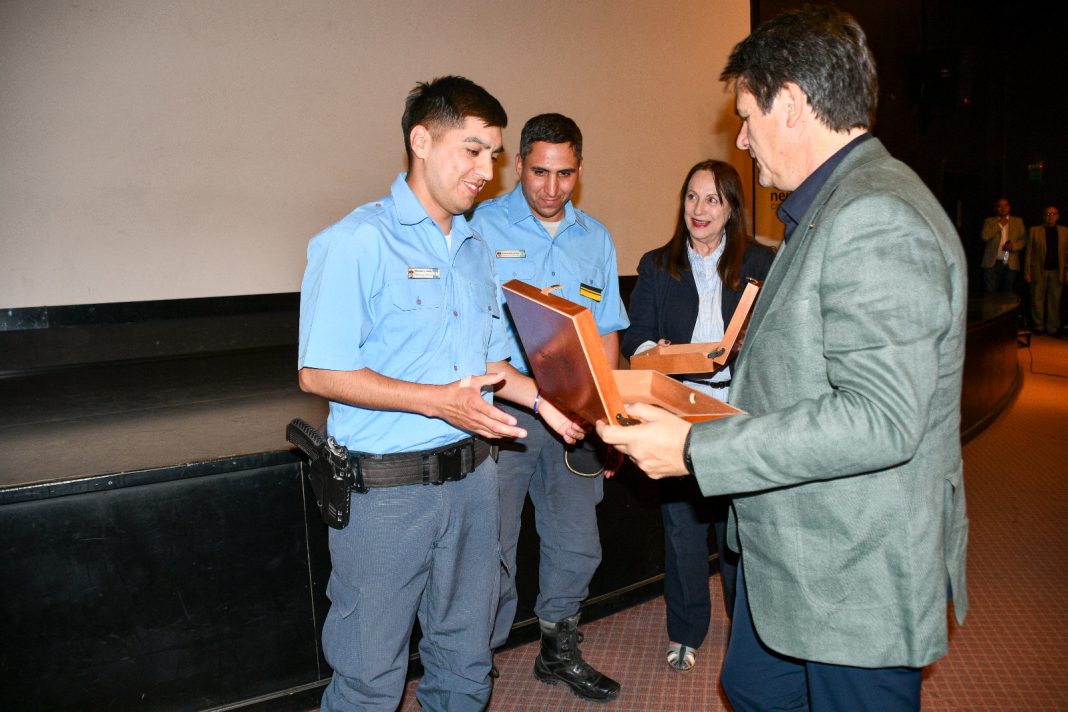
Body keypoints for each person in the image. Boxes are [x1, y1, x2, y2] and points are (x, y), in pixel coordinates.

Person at [596, 7, 969, 711]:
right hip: (799, 555)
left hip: (851, 573)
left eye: (746, 116)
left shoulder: (873, 216)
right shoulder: (831, 206)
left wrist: (697, 449)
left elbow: (879, 418)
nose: (740, 138)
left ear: (791, 105)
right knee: (748, 687)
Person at [297, 77, 584, 712]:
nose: (488, 170)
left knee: (464, 663)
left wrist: (543, 403)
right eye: (473, 150)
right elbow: (319, 372)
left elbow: (486, 362)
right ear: (421, 141)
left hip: (475, 484)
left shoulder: (476, 248)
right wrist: (437, 401)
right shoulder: (357, 242)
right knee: (370, 677)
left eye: (495, 154)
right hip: (386, 496)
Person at [470, 113, 628, 702]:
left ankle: (558, 652)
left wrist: (609, 421)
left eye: (564, 174)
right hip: (507, 415)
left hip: (577, 419)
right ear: (519, 166)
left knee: (576, 543)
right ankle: (473, 661)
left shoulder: (596, 238)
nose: (551, 187)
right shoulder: (484, 226)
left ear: (579, 171)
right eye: (539, 172)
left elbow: (607, 332)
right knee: (493, 549)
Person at [620, 159, 773, 673]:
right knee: (682, 529)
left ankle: (747, 632)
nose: (699, 209)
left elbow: (779, 337)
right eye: (691, 197)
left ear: (731, 208)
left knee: (737, 528)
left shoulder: (760, 262)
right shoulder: (657, 263)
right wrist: (655, 351)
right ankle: (686, 630)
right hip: (677, 411)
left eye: (712, 199)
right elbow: (634, 336)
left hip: (734, 411)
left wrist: (752, 344)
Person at [1024, 206, 1068, 336]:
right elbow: (1028, 253)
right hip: (1038, 271)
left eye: (1053, 214)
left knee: (1055, 301)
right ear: (1043, 216)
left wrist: (1067, 272)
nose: (1050, 216)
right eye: (1047, 214)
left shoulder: (1065, 231)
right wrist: (1027, 272)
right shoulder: (1034, 230)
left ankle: (1053, 328)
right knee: (1037, 299)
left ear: (1058, 216)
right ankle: (1038, 326)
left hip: (1057, 271)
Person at [980, 197, 1026, 294]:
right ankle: (991, 309)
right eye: (999, 206)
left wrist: (1013, 246)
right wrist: (1000, 225)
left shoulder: (1017, 221)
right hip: (992, 262)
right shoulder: (989, 221)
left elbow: (1023, 240)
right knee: (990, 292)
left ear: (1009, 208)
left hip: (1009, 260)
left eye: (1005, 206)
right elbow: (985, 236)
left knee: (1008, 292)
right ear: (995, 208)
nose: (1002, 208)